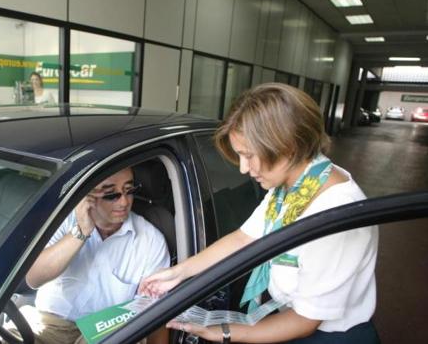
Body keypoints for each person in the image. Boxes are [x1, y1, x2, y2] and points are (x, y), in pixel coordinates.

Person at [139, 83, 380, 344]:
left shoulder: (334, 215)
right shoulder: (299, 184)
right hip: (289, 318)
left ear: (287, 147)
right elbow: (245, 238)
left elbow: (305, 321)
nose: (243, 169)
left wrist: (223, 332)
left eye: (249, 155)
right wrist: (177, 273)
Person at [22, 166, 170, 344]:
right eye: (111, 194)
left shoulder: (150, 240)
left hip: (105, 332)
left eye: (129, 191)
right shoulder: (63, 220)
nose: (123, 202)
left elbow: (155, 314)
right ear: (88, 196)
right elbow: (34, 278)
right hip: (50, 324)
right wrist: (81, 232)